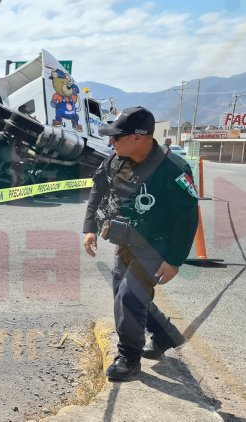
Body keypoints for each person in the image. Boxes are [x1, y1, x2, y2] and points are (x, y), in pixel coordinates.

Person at [82, 106, 199, 381]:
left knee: (129, 297)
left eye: (116, 136)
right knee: (122, 295)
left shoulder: (173, 168)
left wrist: (174, 260)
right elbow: (98, 188)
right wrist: (89, 228)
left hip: (158, 246)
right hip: (126, 241)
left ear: (137, 137)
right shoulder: (116, 159)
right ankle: (164, 334)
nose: (111, 141)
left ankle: (129, 359)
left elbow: (188, 216)